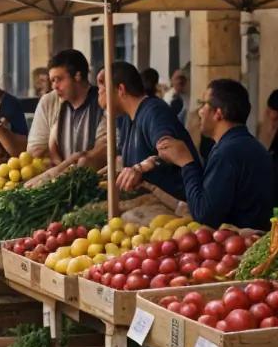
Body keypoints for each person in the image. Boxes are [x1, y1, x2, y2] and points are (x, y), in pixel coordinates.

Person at [154, 79, 276, 229]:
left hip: (242, 247)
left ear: (218, 113)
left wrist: (186, 162)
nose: (199, 111)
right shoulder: (250, 146)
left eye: (203, 104)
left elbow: (205, 215)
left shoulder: (227, 153)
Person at [112, 60, 196, 196]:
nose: (99, 92)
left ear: (121, 90)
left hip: (178, 207)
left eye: (102, 85)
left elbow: (168, 149)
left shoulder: (154, 111)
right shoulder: (127, 117)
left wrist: (140, 168)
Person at [27, 49, 105, 164]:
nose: (54, 86)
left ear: (77, 76)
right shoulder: (54, 103)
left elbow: (105, 147)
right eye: (52, 81)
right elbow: (38, 150)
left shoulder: (102, 103)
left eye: (58, 80)